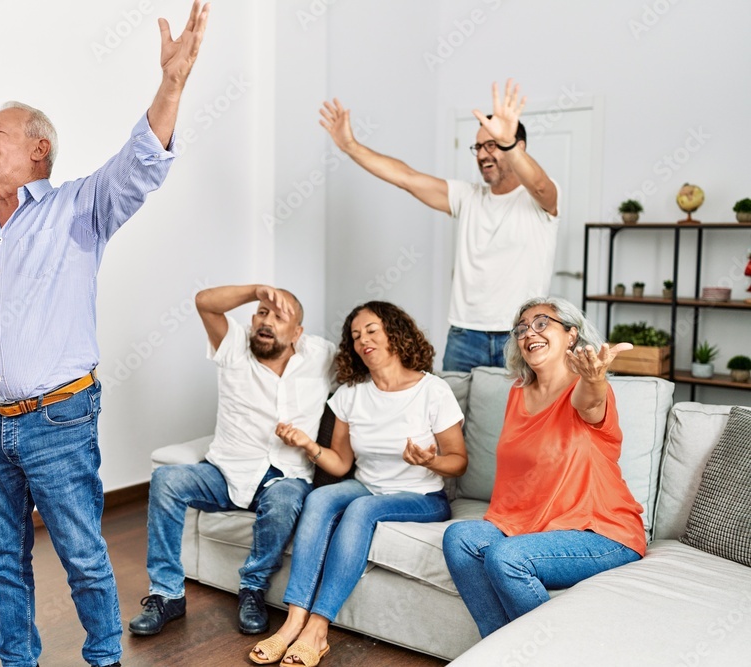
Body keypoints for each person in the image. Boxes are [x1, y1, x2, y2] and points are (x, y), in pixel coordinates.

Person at [0, 4, 210, 666]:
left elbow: (141, 162)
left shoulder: (79, 207)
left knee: (83, 555)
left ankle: (104, 658)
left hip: (58, 418)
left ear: (38, 148)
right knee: (3, 563)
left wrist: (172, 82)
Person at [250, 301, 467, 666]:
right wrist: (308, 445)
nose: (362, 340)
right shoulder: (351, 394)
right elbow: (341, 464)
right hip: (367, 484)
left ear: (395, 334)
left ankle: (317, 630)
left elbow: (458, 463)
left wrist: (431, 460)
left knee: (360, 509)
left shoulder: (433, 390)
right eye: (355, 336)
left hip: (421, 495)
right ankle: (292, 623)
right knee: (320, 499)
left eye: (371, 331)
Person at [128, 285, 337, 638]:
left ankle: (252, 589)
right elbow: (204, 303)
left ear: (298, 332)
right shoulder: (234, 347)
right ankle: (166, 595)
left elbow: (373, 365)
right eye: (261, 313)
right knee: (167, 480)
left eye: (278, 315)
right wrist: (257, 290)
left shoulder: (321, 355)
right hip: (225, 473)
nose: (266, 321)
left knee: (285, 499)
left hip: (285, 476)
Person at [319, 79, 561, 372]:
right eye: (479, 147)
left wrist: (507, 143)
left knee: (516, 416)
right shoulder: (467, 197)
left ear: (517, 146)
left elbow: (538, 183)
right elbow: (406, 178)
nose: (483, 154)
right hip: (464, 335)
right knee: (451, 417)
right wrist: (350, 146)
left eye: (492, 145)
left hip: (520, 334)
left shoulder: (540, 200)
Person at [442, 297, 645, 639]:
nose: (529, 333)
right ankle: (500, 652)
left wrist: (595, 377)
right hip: (536, 528)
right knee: (460, 538)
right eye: (521, 328)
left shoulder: (588, 388)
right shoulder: (518, 392)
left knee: (507, 558)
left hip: (603, 533)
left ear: (571, 335)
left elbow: (590, 401)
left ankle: (550, 653)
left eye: (541, 323)